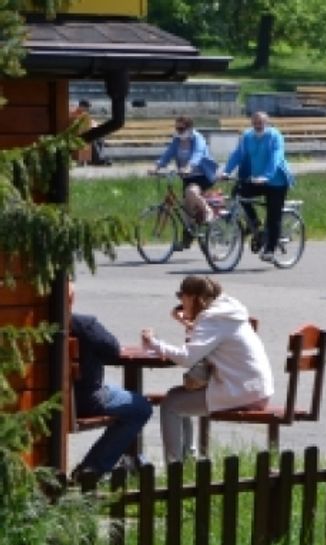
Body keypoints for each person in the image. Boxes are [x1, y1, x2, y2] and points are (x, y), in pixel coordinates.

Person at [141, 276, 273, 463]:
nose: (180, 302)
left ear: (193, 298)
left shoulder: (211, 318)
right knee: (176, 396)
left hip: (242, 391)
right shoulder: (227, 311)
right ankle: (188, 460)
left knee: (170, 405)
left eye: (182, 297)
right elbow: (208, 341)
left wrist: (154, 343)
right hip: (256, 388)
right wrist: (188, 323)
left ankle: (174, 470)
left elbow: (188, 358)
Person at [69, 283, 153, 479]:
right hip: (86, 400)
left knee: (114, 388)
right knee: (140, 407)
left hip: (43, 398)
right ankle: (92, 469)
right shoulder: (84, 325)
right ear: (71, 300)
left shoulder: (31, 328)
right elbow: (112, 350)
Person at [220, 111, 295, 262]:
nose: (258, 126)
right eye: (255, 123)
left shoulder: (275, 136)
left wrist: (266, 176)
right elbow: (238, 154)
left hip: (276, 182)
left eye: (261, 123)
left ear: (267, 123)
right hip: (257, 180)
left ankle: (270, 250)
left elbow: (276, 156)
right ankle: (254, 222)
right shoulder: (248, 137)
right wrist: (226, 171)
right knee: (239, 193)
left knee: (273, 215)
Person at [153, 115, 219, 227]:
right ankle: (188, 236)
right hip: (187, 176)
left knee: (191, 192)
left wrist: (189, 166)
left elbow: (197, 154)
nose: (178, 131)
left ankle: (208, 211)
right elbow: (168, 153)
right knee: (187, 211)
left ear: (190, 128)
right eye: (177, 128)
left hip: (202, 176)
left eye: (181, 129)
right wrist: (157, 166)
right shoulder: (177, 140)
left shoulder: (198, 139)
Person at [69, 100, 109, 166]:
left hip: (86, 132)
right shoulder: (74, 113)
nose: (88, 109)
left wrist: (96, 125)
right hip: (78, 135)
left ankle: (100, 158)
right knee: (92, 140)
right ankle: (98, 160)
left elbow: (91, 122)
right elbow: (76, 124)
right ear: (81, 106)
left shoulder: (84, 113)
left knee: (101, 139)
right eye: (86, 107)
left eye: (88, 107)